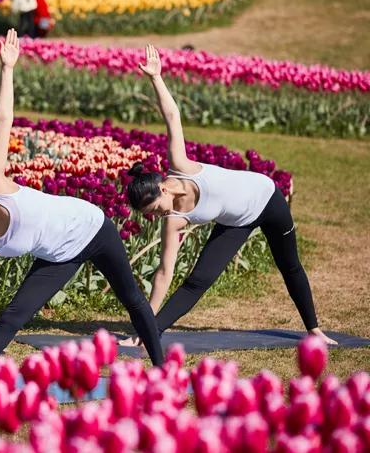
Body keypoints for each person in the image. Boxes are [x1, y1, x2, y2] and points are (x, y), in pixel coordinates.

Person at [0, 30, 164, 365]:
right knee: (11, 319)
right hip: (59, 255)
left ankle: (162, 368)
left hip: (91, 227)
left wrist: (7, 69)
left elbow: (4, 121)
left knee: (132, 297)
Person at [121, 44, 336, 348]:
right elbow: (164, 272)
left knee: (290, 266)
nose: (157, 217)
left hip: (267, 200)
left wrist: (156, 78)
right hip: (236, 222)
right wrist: (146, 326)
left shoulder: (181, 166)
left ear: (164, 188)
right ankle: (153, 332)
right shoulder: (174, 220)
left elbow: (172, 115)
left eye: (155, 209)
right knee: (198, 281)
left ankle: (313, 329)